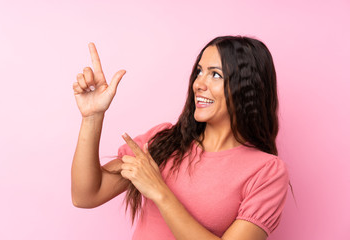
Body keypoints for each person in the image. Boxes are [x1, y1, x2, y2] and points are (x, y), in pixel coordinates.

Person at [71, 36, 289, 240]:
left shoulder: (267, 171)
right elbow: (86, 195)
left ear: (248, 88)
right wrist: (92, 116)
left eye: (215, 74)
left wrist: (159, 191)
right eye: (199, 72)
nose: (198, 84)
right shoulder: (162, 141)